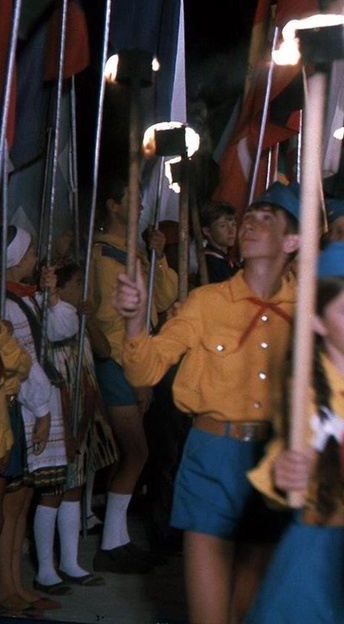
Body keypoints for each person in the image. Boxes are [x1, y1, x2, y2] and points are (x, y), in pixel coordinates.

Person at [113, 182, 300, 624]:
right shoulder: (205, 302)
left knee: (251, 611)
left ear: (292, 241)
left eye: (266, 218)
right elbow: (146, 371)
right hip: (211, 457)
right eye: (247, 217)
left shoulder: (309, 308)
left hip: (275, 462)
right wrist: (137, 323)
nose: (250, 223)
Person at [245, 239, 344, 623]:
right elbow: (283, 455)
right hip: (319, 551)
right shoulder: (306, 393)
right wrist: (284, 473)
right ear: (317, 321)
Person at [87, 176, 178, 574]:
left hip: (138, 361)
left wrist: (159, 258)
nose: (140, 206)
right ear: (112, 205)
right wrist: (137, 376)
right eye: (132, 199)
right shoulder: (104, 256)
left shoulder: (135, 251)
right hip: (119, 365)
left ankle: (117, 540)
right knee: (135, 452)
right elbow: (112, 320)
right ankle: (110, 544)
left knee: (135, 454)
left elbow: (162, 299)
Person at [32, 260, 117, 592]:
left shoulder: (79, 316)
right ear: (61, 286)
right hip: (59, 410)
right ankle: (44, 568)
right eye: (80, 282)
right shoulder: (50, 316)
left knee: (74, 486)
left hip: (83, 412)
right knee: (53, 489)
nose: (86, 289)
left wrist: (89, 316)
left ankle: (70, 561)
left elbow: (104, 351)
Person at [0, 227, 66, 612]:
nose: (36, 256)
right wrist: (41, 411)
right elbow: (23, 363)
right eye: (32, 250)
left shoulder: (23, 297)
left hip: (30, 405)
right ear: (17, 257)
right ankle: (6, 587)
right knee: (10, 504)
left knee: (20, 502)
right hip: (20, 409)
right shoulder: (6, 304)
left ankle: (17, 584)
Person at [0, 262, 35, 613]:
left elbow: (22, 364)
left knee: (0, 515)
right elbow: (7, 371)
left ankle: (9, 587)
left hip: (4, 418)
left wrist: (2, 337)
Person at [200, 201, 239, 284]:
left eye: (233, 224)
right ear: (207, 231)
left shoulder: (225, 260)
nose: (231, 231)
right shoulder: (211, 264)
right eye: (223, 226)